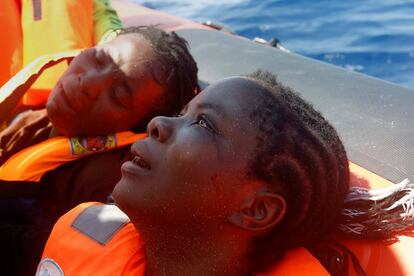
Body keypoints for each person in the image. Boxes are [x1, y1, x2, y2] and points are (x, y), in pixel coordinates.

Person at [38, 70, 414, 275]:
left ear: (256, 209)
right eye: (183, 112)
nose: (157, 123)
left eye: (202, 124)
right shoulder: (85, 228)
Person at [0, 25, 199, 275]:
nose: (88, 83)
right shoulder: (34, 120)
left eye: (117, 94)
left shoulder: (103, 184)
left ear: (136, 126)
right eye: (97, 58)